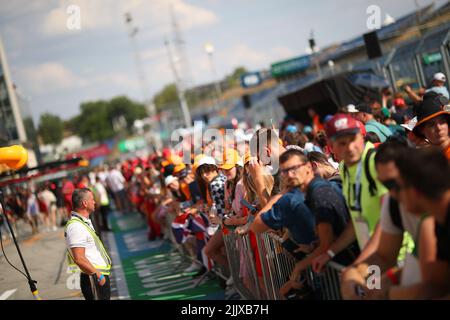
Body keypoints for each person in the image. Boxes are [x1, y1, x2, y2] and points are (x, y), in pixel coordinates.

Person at [340, 137, 436, 299]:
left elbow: (436, 284)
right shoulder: (393, 204)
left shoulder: (439, 204)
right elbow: (382, 257)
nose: (393, 193)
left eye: (395, 183)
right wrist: (354, 274)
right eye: (386, 185)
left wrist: (387, 292)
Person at [277, 149, 358, 298]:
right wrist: (319, 248)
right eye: (284, 172)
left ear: (310, 167)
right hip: (357, 257)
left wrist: (301, 266)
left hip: (366, 259)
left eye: (293, 171)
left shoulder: (321, 193)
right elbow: (352, 226)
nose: (289, 176)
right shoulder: (319, 190)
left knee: (373, 293)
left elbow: (328, 242)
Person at [313, 114, 388, 272]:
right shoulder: (346, 169)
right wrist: (330, 253)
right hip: (372, 260)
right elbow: (358, 220)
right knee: (369, 293)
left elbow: (389, 218)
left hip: (398, 258)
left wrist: (357, 265)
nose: (350, 147)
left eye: (353, 140)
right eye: (342, 143)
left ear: (362, 138)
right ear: (331, 147)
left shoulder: (377, 162)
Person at [393, 148, 450, 299]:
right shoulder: (439, 221)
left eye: (398, 187)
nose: (394, 194)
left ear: (415, 192)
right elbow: (437, 284)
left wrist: (386, 294)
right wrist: (381, 286)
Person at [64, 188, 112, 300]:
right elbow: (79, 258)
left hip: (94, 276)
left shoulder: (82, 222)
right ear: (85, 203)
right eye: (92, 199)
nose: (94, 202)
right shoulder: (76, 226)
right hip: (92, 278)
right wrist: (98, 275)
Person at [412, 92, 450, 160]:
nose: (439, 128)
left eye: (442, 122)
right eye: (431, 124)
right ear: (421, 130)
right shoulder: (424, 162)